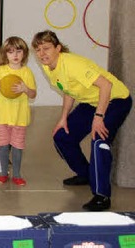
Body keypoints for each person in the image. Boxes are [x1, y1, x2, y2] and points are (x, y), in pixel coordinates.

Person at [32, 30, 132, 211]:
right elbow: (68, 90)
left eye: (46, 48)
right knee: (62, 136)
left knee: (99, 140)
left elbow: (106, 85)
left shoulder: (72, 64)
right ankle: (85, 174)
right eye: (38, 50)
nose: (42, 54)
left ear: (58, 48)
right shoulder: (49, 67)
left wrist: (99, 117)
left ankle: (102, 195)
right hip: (91, 102)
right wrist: (63, 118)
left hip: (115, 100)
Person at [0, 36, 37, 186]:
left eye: (18, 51)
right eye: (10, 52)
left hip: (19, 116)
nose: (15, 55)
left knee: (17, 146)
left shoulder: (27, 72)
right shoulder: (0, 71)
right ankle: (3, 173)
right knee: (3, 145)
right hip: (3, 115)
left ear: (24, 54)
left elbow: (33, 94)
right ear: (5, 54)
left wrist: (25, 89)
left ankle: (17, 174)